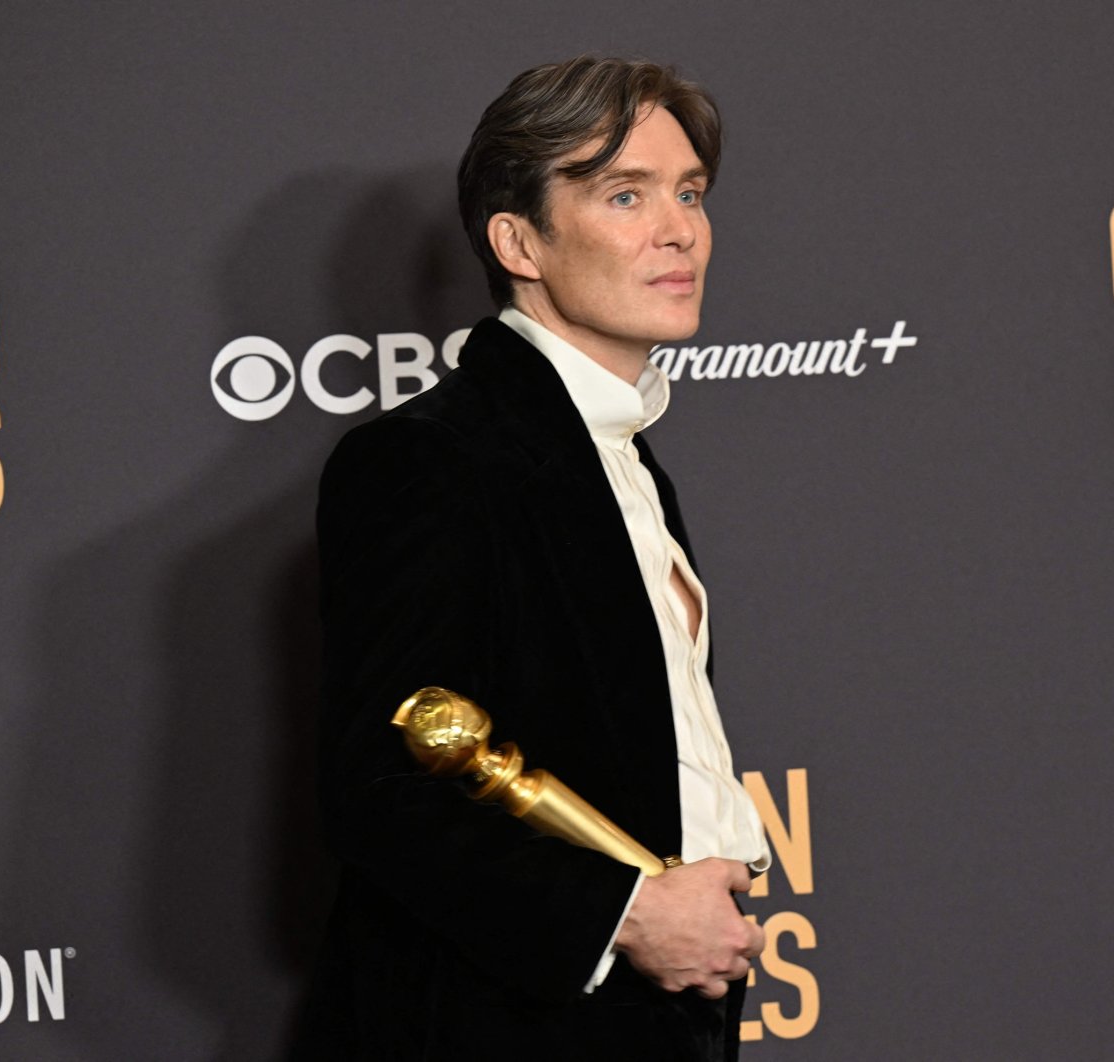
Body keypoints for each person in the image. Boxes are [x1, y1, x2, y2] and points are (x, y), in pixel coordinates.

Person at [297, 56, 769, 1061]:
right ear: (519, 241)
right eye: (623, 194)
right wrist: (626, 918)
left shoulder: (622, 455)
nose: (678, 228)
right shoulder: (429, 460)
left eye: (689, 193)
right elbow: (382, 789)